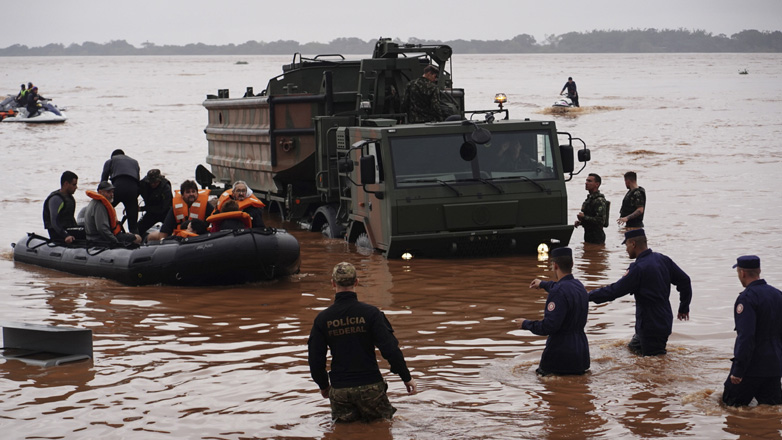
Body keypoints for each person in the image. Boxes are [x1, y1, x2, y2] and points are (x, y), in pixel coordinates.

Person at [308, 262, 417, 423]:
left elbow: (315, 359)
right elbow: (390, 349)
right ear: (356, 282)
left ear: (333, 283)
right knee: (382, 429)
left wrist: (323, 385)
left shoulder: (322, 319)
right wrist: (406, 377)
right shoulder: (371, 314)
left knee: (344, 433)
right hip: (370, 387)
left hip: (340, 390)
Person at [589, 229, 692, 356]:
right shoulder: (663, 259)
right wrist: (684, 307)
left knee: (655, 365)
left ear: (633, 244)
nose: (626, 249)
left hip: (650, 325)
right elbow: (685, 281)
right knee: (633, 348)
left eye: (626, 245)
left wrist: (587, 296)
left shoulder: (638, 268)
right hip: (663, 319)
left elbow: (614, 291)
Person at [722, 255, 782, 407]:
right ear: (759, 271)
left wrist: (738, 370)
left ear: (742, 273)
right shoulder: (777, 294)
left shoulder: (747, 298)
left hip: (751, 368)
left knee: (730, 409)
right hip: (774, 367)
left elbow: (746, 336)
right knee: (771, 412)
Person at [520, 247, 590, 376]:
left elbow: (549, 326)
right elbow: (561, 287)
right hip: (582, 353)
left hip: (560, 355)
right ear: (572, 264)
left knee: (545, 390)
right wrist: (542, 284)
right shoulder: (579, 286)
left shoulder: (557, 292)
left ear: (555, 265)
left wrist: (525, 324)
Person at [147, 180, 214, 241]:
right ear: (182, 195)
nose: (191, 194)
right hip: (180, 238)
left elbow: (215, 220)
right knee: (151, 236)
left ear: (197, 193)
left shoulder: (206, 205)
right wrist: (162, 242)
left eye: (193, 191)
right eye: (188, 192)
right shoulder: (176, 207)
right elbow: (166, 229)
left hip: (200, 236)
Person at [83, 181, 142, 246]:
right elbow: (102, 229)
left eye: (112, 192)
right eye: (108, 192)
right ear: (100, 192)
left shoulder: (95, 203)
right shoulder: (99, 206)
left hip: (99, 237)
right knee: (137, 238)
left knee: (130, 234)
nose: (111, 194)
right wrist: (115, 241)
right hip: (99, 239)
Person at [101, 149, 141, 234]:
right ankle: (137, 241)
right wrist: (133, 202)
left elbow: (103, 182)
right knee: (133, 225)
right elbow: (138, 183)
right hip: (133, 190)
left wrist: (101, 198)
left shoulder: (111, 161)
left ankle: (107, 233)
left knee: (105, 210)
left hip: (118, 187)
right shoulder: (135, 162)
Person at [42, 171, 80, 243]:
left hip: (69, 230)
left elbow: (71, 218)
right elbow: (54, 222)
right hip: (59, 234)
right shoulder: (56, 199)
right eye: (74, 185)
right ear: (66, 184)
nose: (76, 187)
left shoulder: (69, 198)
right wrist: (66, 235)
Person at [138, 169, 173, 236]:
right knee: (139, 229)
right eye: (151, 182)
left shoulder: (166, 188)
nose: (153, 184)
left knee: (172, 229)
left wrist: (142, 208)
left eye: (156, 182)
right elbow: (134, 194)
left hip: (165, 213)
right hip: (151, 213)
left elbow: (163, 208)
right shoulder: (143, 184)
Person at [575, 173, 607, 245]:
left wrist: (584, 217)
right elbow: (591, 217)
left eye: (589, 181)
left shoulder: (599, 200)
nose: (586, 183)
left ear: (597, 184)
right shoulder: (589, 199)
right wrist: (581, 222)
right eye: (586, 181)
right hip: (588, 234)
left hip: (597, 236)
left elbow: (600, 220)